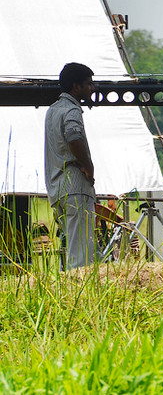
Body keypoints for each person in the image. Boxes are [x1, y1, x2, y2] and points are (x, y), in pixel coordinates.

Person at [44, 62, 97, 270]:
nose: (91, 89)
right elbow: (74, 137)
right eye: (88, 84)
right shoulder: (72, 109)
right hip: (75, 185)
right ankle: (81, 295)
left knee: (77, 246)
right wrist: (89, 166)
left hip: (57, 187)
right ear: (76, 87)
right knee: (82, 253)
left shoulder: (52, 110)